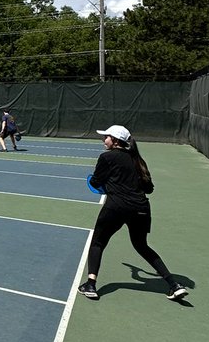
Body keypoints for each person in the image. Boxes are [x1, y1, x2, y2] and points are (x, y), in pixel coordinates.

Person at [78, 124, 188, 302]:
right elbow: (149, 189)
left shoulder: (107, 157)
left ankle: (90, 284)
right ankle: (174, 285)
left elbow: (96, 181)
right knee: (142, 246)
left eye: (106, 137)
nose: (103, 139)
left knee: (98, 242)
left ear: (115, 141)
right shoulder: (138, 160)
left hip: (116, 207)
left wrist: (111, 184)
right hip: (141, 209)